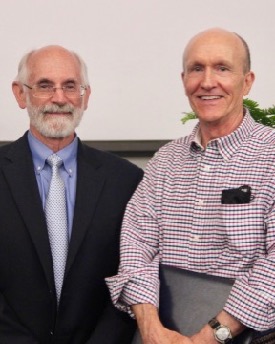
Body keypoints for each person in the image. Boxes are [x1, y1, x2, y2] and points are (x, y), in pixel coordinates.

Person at [106, 28, 275, 343]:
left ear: (247, 81)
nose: (207, 81)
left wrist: (211, 336)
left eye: (222, 68)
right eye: (197, 68)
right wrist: (151, 329)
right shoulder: (165, 161)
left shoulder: (271, 156)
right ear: (184, 79)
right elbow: (136, 245)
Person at [0, 45, 143, 343]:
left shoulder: (126, 181)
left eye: (70, 86)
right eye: (44, 86)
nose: (59, 98)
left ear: (86, 96)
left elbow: (133, 275)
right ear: (19, 93)